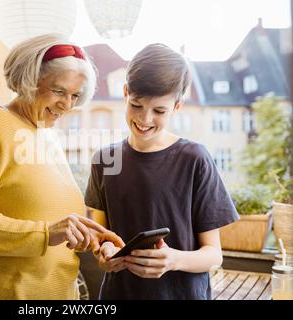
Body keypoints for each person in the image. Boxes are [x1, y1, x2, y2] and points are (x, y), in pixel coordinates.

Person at [0, 34, 124, 300]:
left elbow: (54, 224)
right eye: (59, 91)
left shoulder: (49, 140)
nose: (67, 104)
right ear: (30, 80)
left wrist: (93, 240)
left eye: (75, 95)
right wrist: (45, 233)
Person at [84, 43, 239, 300]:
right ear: (125, 93)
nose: (145, 119)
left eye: (159, 111)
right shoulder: (105, 160)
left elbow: (214, 254)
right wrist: (105, 253)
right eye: (136, 105)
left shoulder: (195, 159)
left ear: (177, 107)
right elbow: (100, 238)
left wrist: (173, 260)